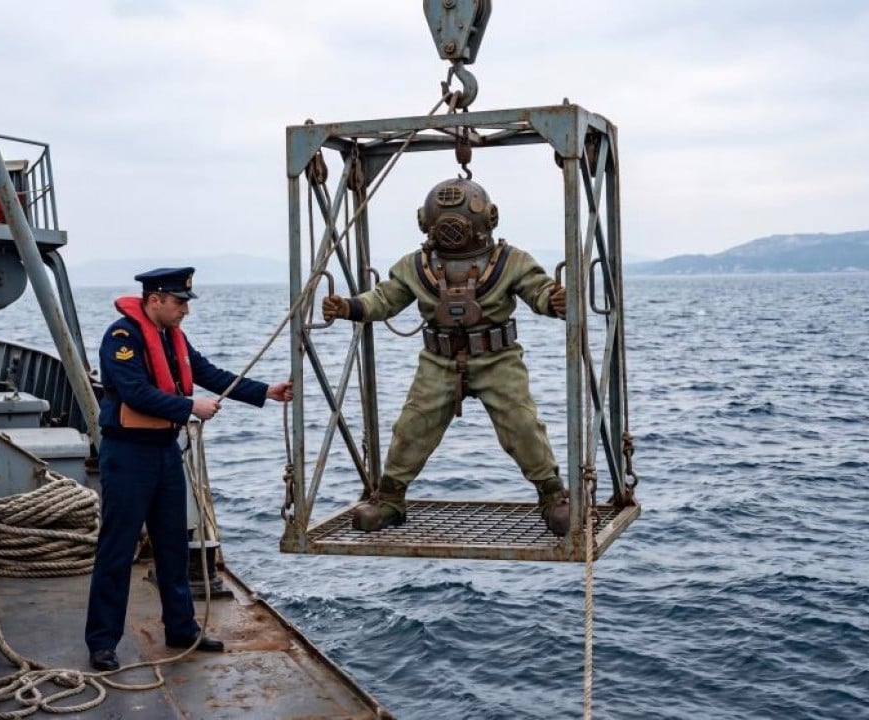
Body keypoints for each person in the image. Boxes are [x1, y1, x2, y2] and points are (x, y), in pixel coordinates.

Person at [321, 177, 571, 537]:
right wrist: (349, 306)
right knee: (412, 426)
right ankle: (389, 498)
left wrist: (555, 301)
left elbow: (538, 289)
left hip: (497, 359)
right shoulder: (416, 266)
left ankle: (552, 496)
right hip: (438, 360)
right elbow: (385, 298)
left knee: (521, 424)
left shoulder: (510, 262)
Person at [85, 267, 293, 672]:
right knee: (117, 550)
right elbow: (134, 392)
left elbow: (208, 373)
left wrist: (265, 391)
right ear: (155, 299)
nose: (185, 310)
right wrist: (189, 406)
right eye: (179, 302)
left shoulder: (172, 337)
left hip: (165, 453)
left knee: (174, 546)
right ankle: (102, 642)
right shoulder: (122, 337)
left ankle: (181, 628)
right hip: (128, 456)